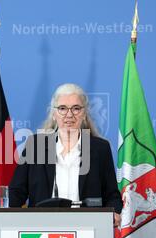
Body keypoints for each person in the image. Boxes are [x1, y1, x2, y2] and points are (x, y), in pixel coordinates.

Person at [9, 83, 122, 226]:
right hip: (41, 229)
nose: (69, 115)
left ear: (84, 113)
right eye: (62, 108)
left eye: (76, 108)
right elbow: (17, 192)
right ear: (54, 114)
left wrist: (114, 211)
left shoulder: (100, 148)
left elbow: (112, 195)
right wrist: (1, 214)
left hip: (88, 229)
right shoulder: (35, 145)